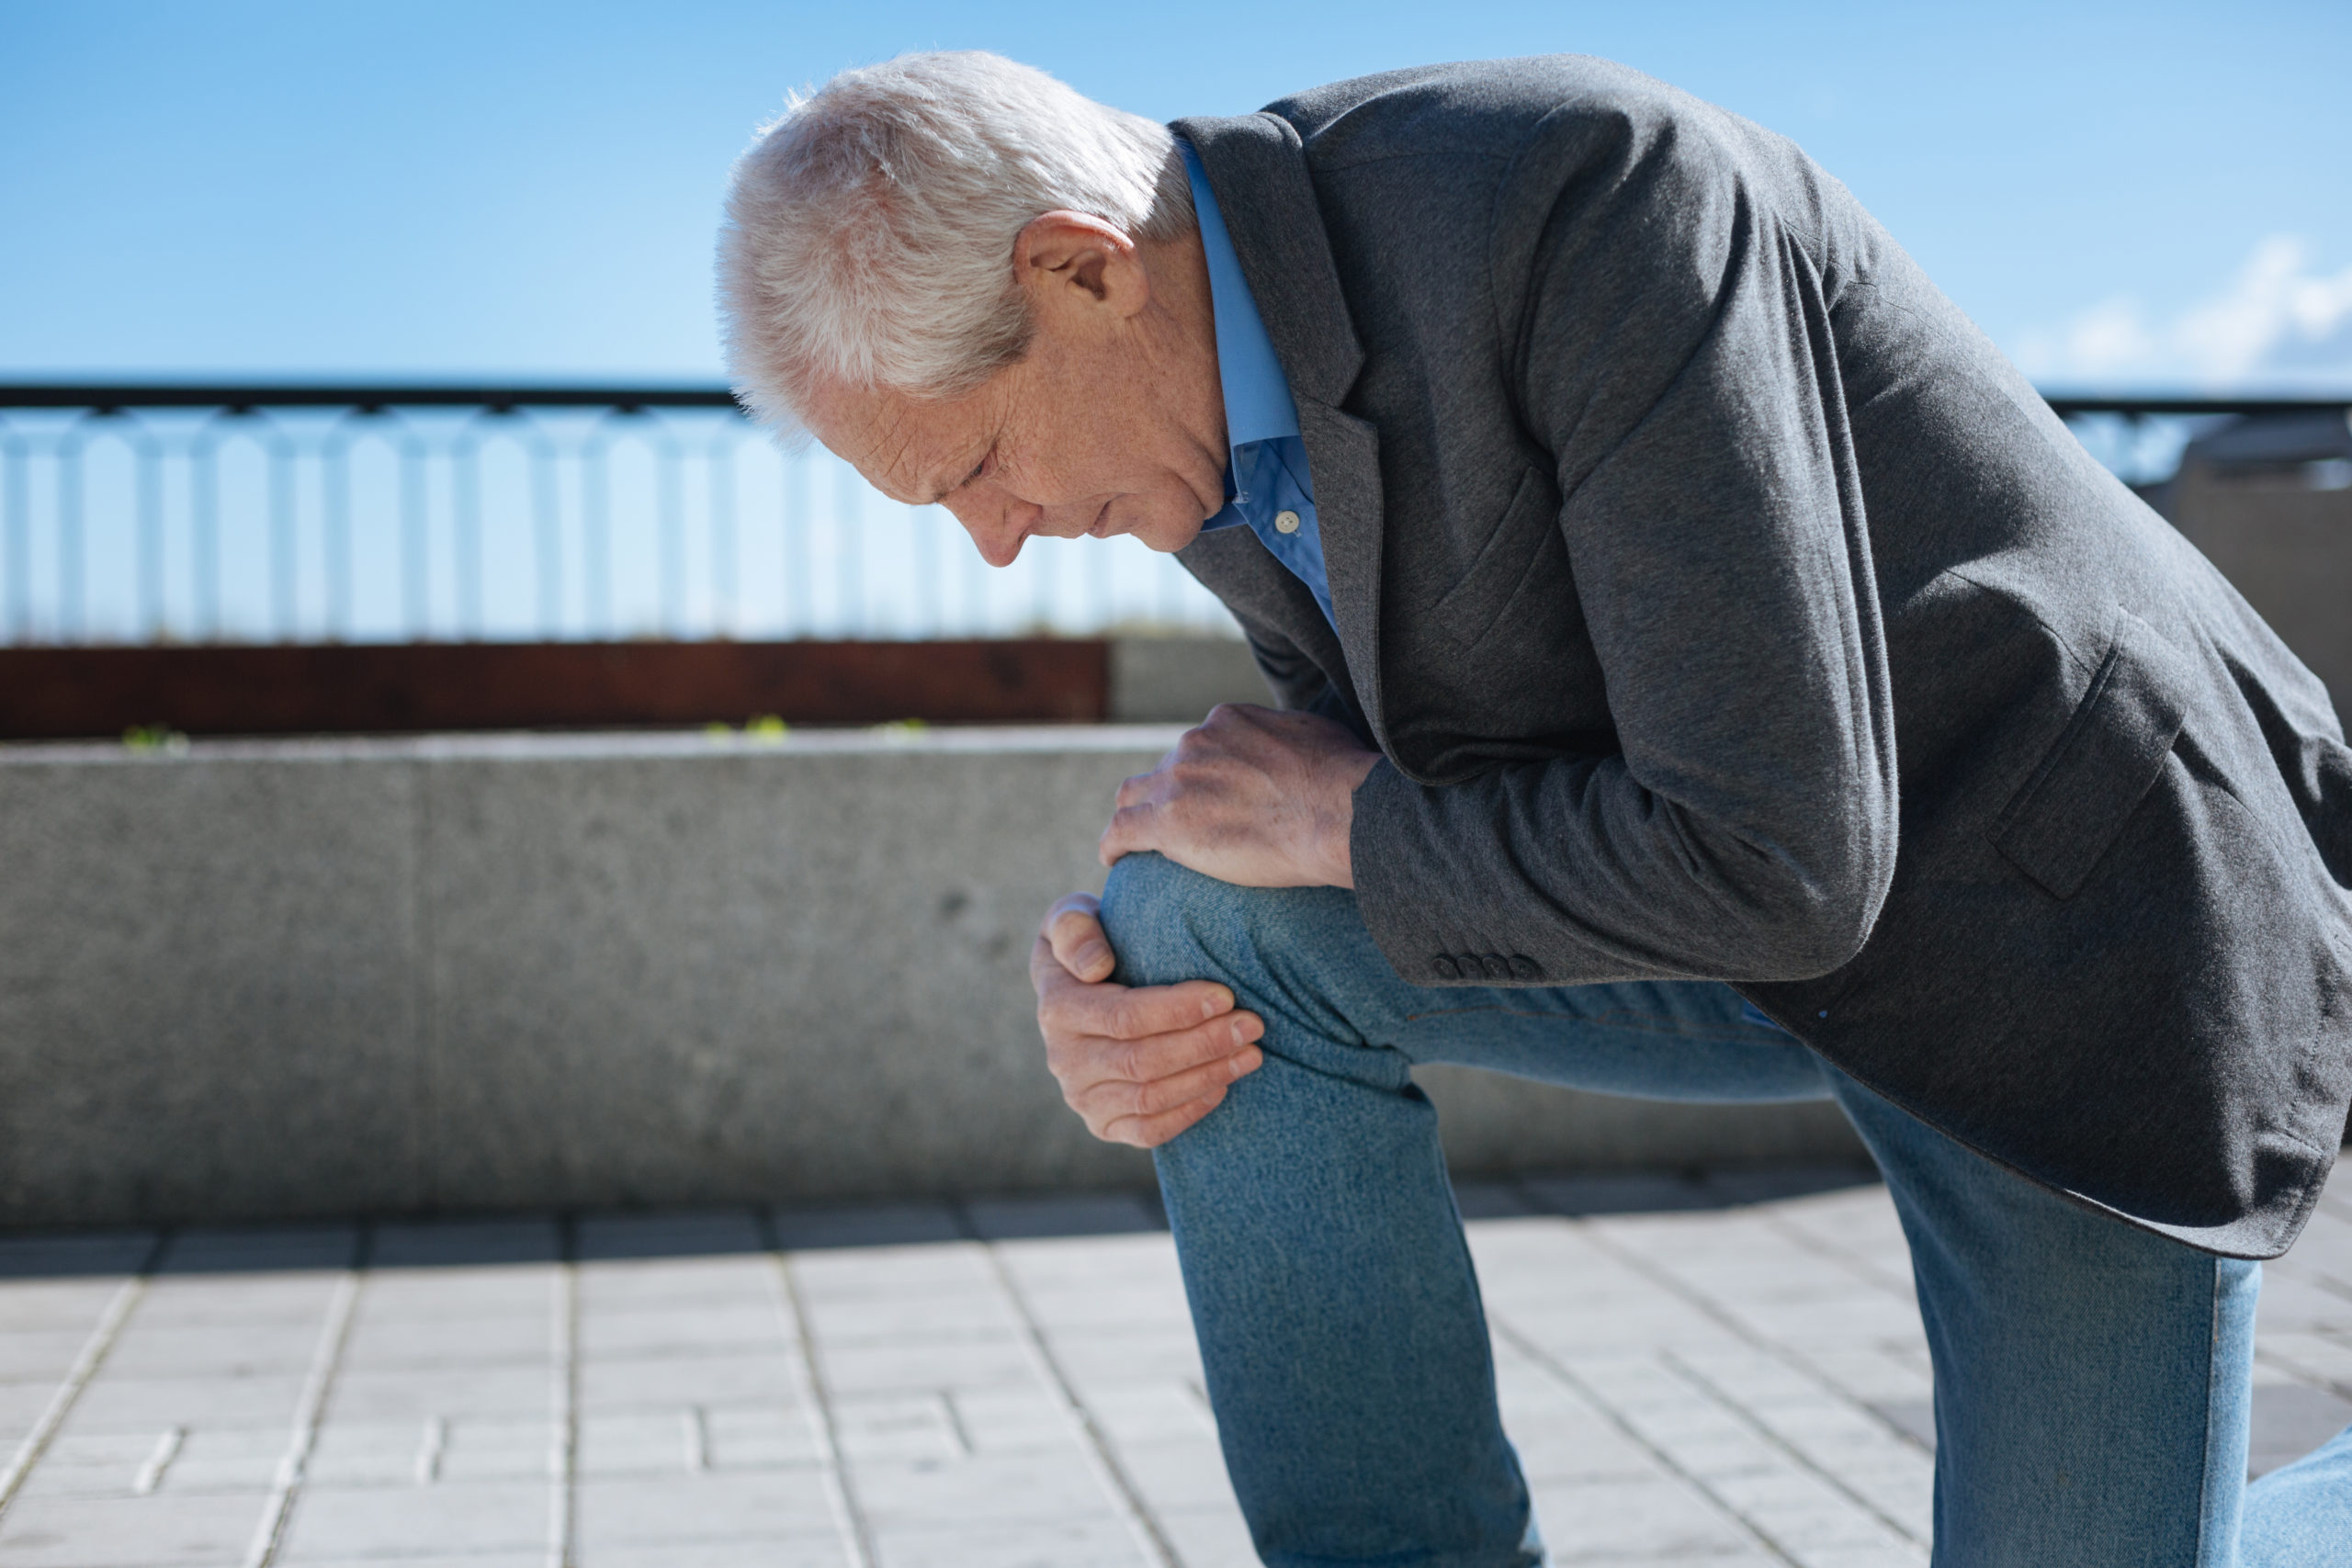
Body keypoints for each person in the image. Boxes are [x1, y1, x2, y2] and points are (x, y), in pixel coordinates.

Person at [717, 50, 2352, 1565]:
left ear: (1081, 271)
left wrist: (1338, 827)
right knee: (1189, 928)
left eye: (977, 468)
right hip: (1747, 895)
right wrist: (1115, 1005)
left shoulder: (1586, 200)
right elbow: (1418, 790)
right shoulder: (1192, 421)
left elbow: (1776, 856)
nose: (997, 541)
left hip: (2061, 909)